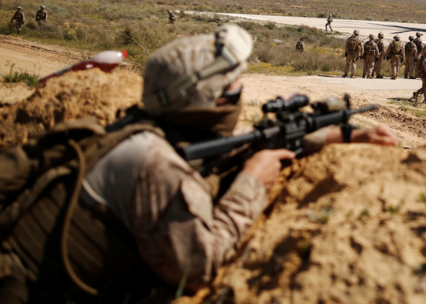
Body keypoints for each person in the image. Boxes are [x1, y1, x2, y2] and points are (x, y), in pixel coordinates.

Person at [0, 24, 397, 302]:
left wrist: (333, 135)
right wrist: (251, 183)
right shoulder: (156, 166)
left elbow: (236, 144)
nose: (242, 90)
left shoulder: (149, 124)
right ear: (212, 103)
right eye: (235, 84)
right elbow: (196, 267)